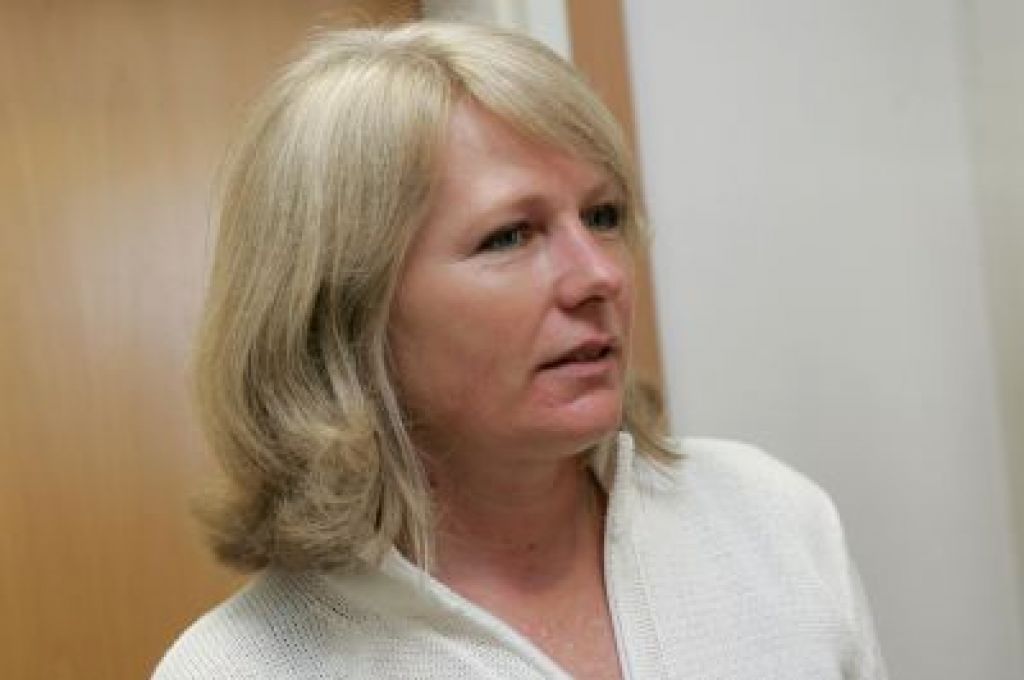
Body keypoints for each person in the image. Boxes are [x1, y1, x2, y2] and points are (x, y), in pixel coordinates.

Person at [154, 21, 887, 679]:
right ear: (347, 309)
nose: (599, 275)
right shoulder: (242, 667)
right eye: (510, 235)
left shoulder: (770, 520)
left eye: (603, 216)